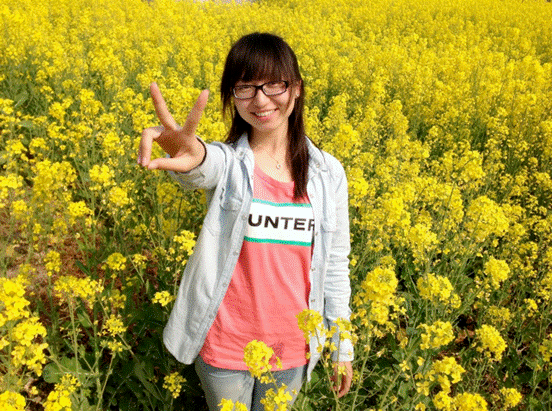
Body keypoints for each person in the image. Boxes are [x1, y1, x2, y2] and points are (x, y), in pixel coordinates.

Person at [138, 32, 354, 411]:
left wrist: (341, 344)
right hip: (226, 344)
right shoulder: (228, 163)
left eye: (274, 84)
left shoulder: (327, 173)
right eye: (245, 87)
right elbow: (202, 165)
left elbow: (335, 264)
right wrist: (188, 154)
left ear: (296, 89)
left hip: (292, 347)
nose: (260, 99)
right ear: (232, 97)